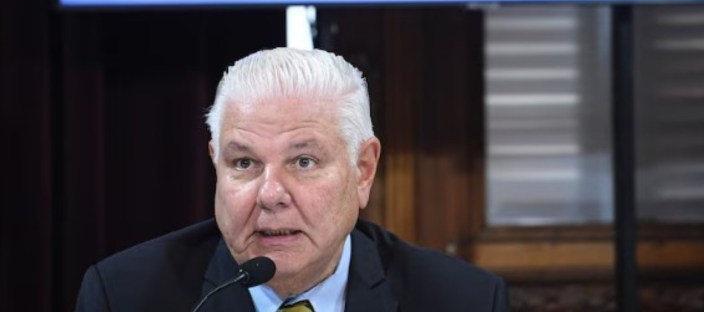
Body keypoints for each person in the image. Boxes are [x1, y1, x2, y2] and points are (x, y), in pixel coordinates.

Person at [75, 48, 509, 312]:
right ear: (215, 164)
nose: (270, 195)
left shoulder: (461, 302)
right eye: (244, 164)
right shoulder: (126, 298)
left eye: (303, 162)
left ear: (363, 170)